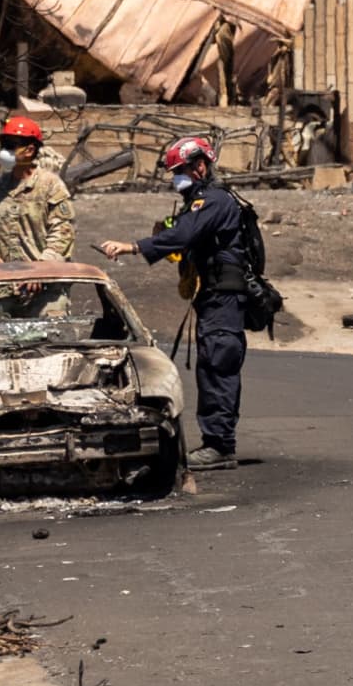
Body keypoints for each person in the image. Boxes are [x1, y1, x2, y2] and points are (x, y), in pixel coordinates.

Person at [97, 136, 247, 471]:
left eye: (180, 170)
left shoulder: (214, 201)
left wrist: (132, 246)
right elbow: (181, 235)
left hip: (224, 297)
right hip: (213, 295)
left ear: (200, 167)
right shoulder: (201, 202)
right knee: (211, 366)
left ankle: (220, 446)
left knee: (217, 367)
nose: (175, 178)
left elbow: (181, 236)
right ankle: (217, 443)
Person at [0, 115, 76, 318]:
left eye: (11, 145)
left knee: (51, 346)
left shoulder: (50, 186)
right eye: (3, 145)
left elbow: (63, 233)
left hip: (46, 294)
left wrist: (40, 268)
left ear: (30, 150)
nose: (4, 151)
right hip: (8, 290)